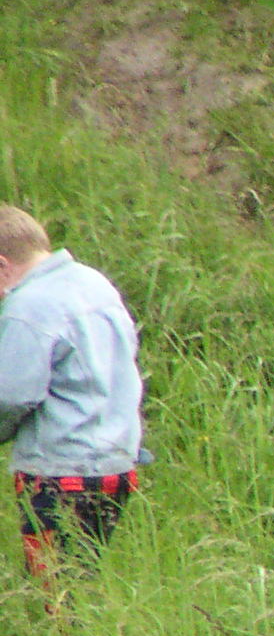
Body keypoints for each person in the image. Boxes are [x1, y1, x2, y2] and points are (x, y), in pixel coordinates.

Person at [0, 204, 146, 582]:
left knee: (54, 589)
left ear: (2, 266)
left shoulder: (27, 306)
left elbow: (10, 395)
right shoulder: (93, 283)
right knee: (83, 577)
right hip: (116, 465)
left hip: (58, 471)